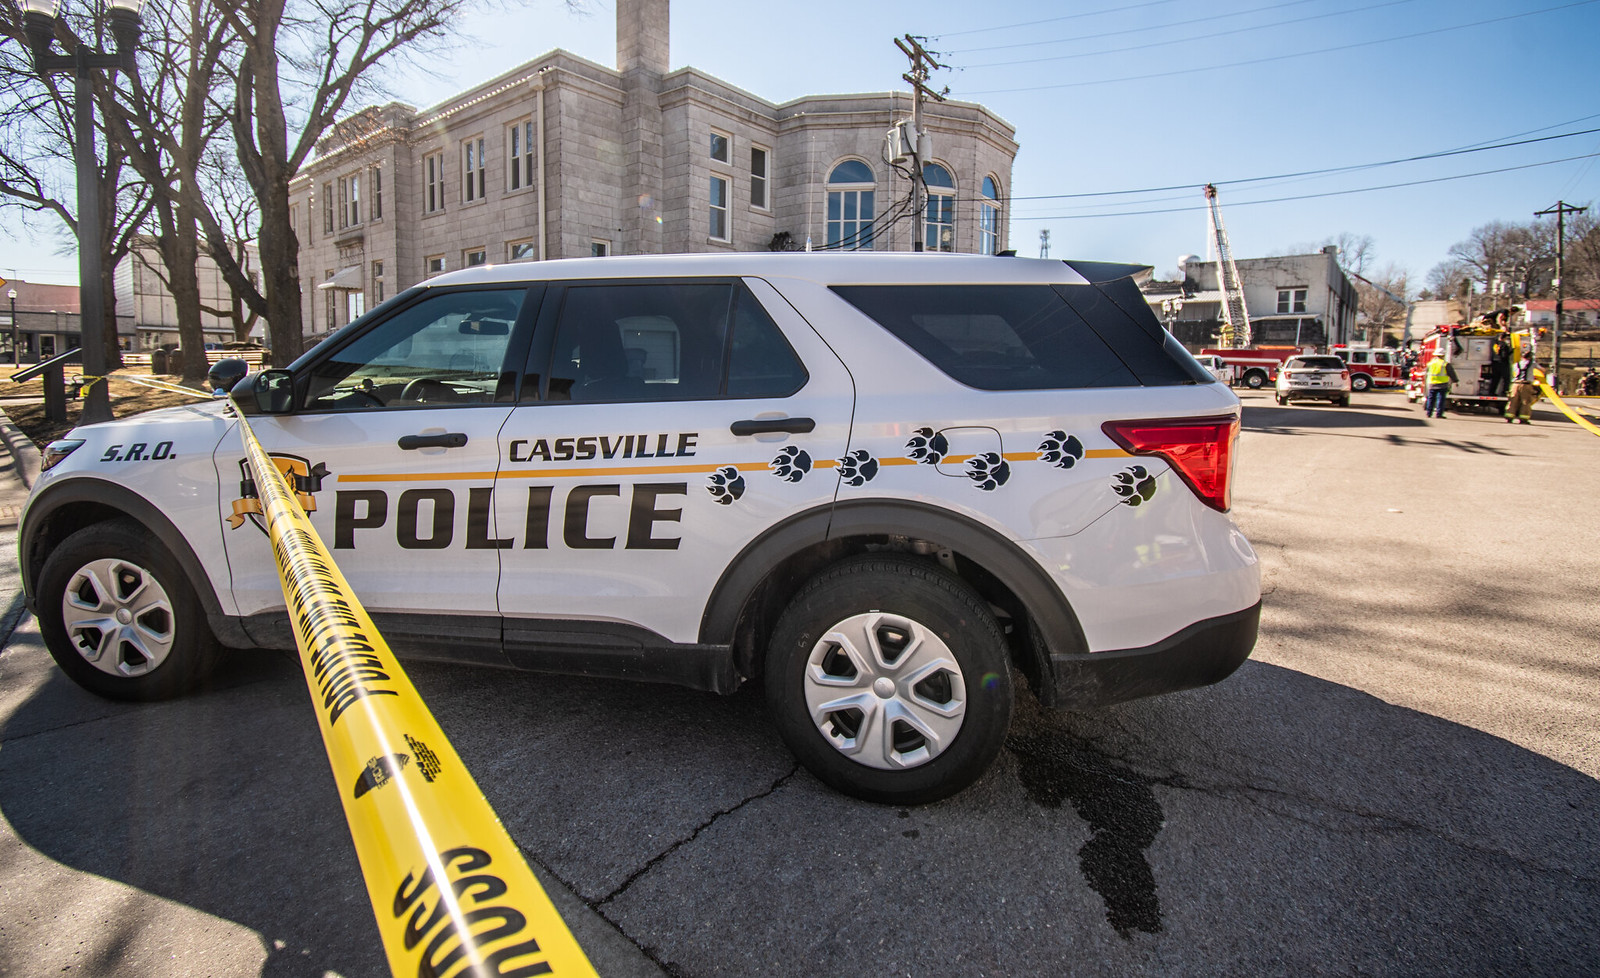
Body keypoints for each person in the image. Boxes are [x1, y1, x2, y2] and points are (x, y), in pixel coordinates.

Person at [1505, 351, 1540, 424]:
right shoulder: (1532, 364)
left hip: (1515, 384)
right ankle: (1523, 418)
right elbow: (1542, 370)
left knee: (1513, 400)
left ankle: (1509, 417)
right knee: (1525, 401)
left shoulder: (1516, 364)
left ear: (1522, 356)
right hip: (1526, 385)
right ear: (1530, 357)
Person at [1424, 353, 1456, 418]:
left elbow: (1426, 373)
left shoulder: (1430, 363)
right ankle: (1439, 414)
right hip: (1442, 384)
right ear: (1443, 355)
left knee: (1431, 399)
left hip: (1432, 383)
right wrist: (1455, 380)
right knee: (1440, 399)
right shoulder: (1445, 364)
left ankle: (1429, 413)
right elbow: (1451, 373)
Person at [1487, 329, 1511, 398]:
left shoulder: (1494, 344)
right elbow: (1504, 355)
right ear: (1504, 338)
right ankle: (1504, 392)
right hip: (1502, 364)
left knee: (1495, 379)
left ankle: (1491, 392)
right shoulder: (1504, 345)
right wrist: (1510, 351)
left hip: (1494, 363)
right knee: (1506, 378)